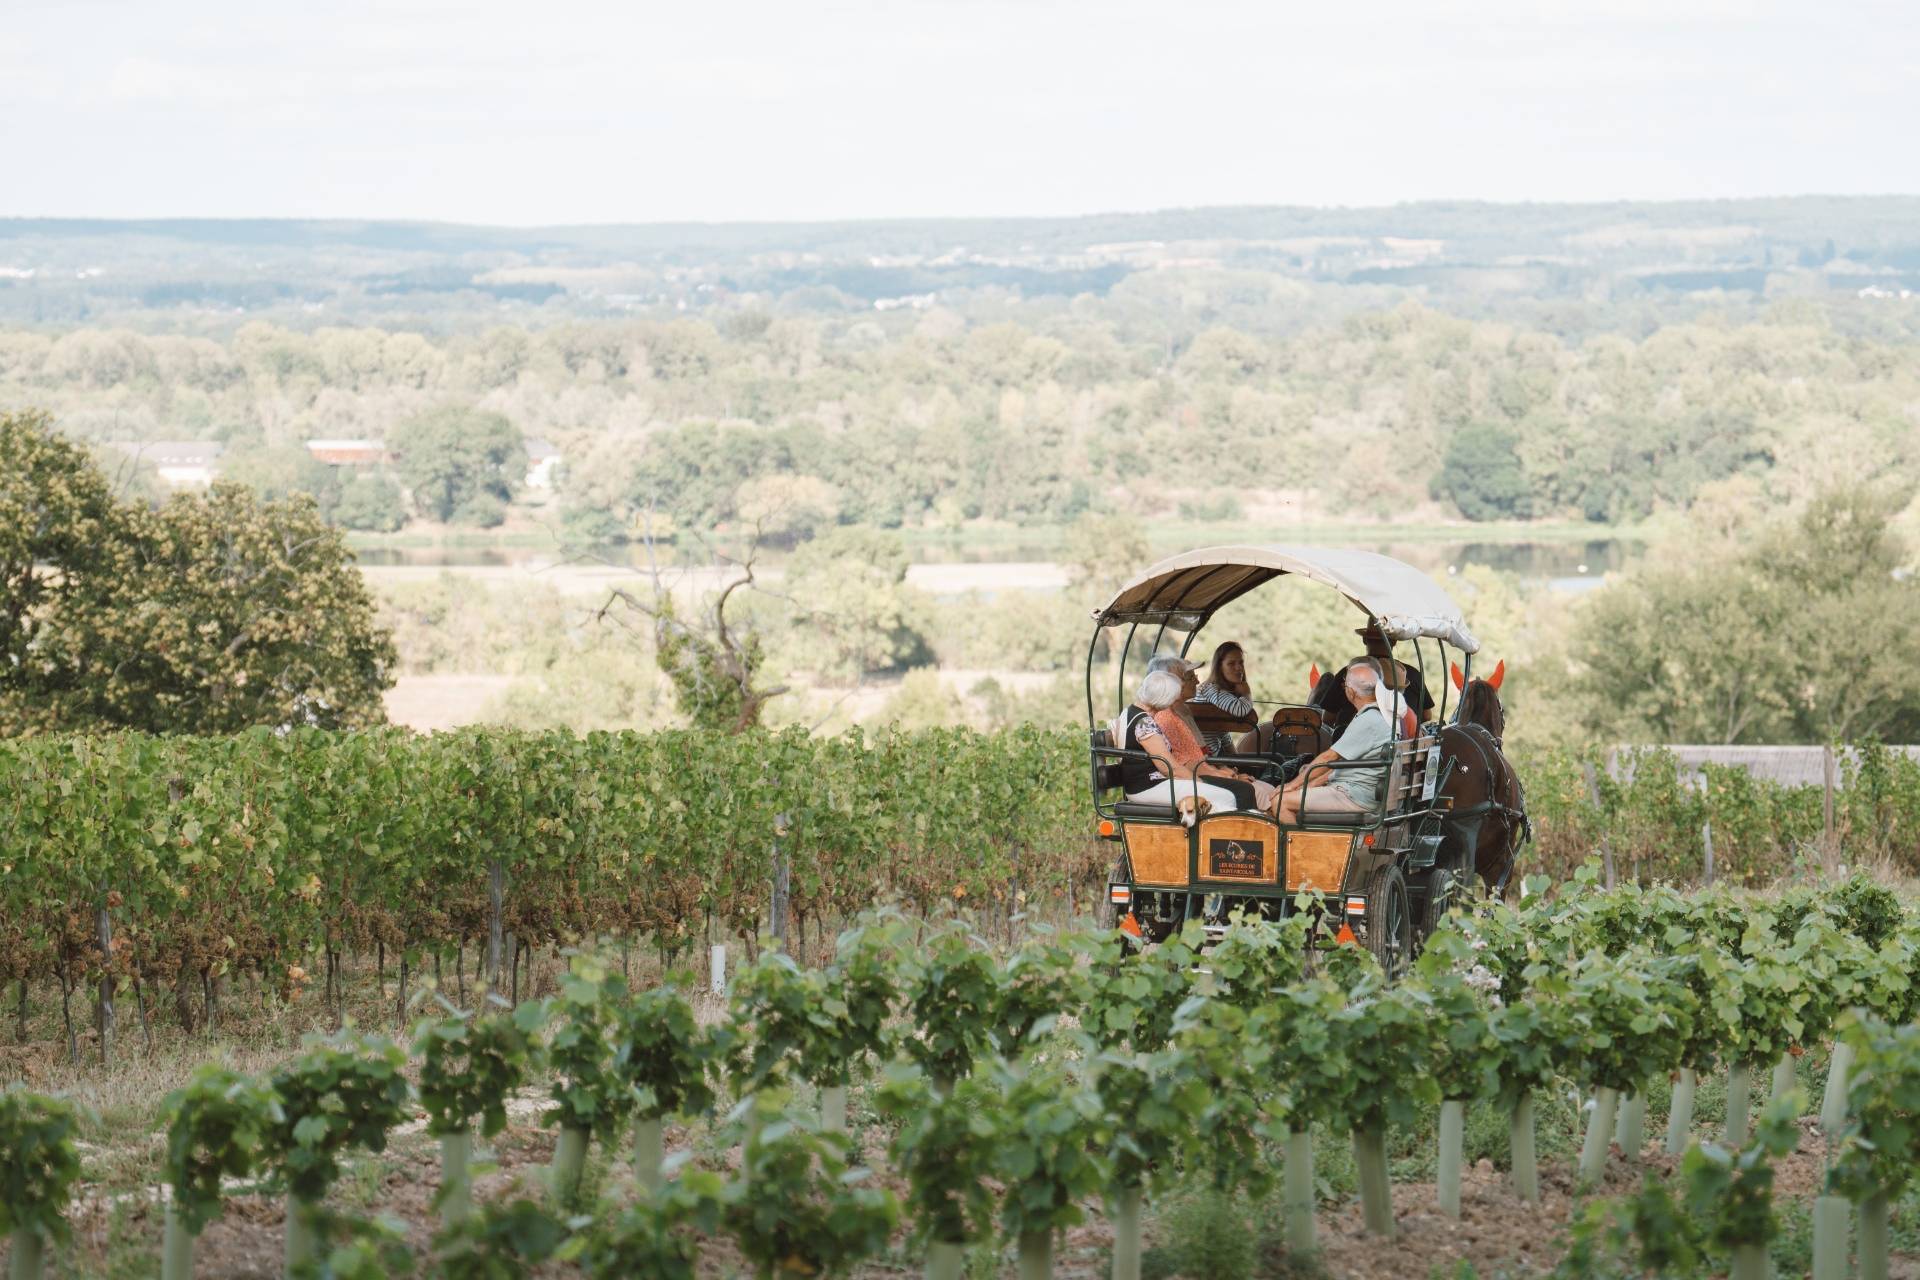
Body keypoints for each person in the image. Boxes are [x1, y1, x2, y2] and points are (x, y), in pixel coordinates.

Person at [1118, 670, 1257, 819]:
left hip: (1149, 782)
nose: (1173, 702)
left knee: (1236, 790)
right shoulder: (1143, 722)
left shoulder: (1130, 711)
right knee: (1227, 797)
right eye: (1172, 698)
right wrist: (1200, 782)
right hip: (1148, 786)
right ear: (1164, 699)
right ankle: (1233, 837)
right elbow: (1169, 768)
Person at [1274, 660, 1392, 824]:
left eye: (1344, 683)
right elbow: (1340, 766)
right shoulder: (1382, 714)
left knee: (1281, 802)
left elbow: (1329, 757)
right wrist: (1308, 785)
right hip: (1360, 790)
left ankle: (1300, 849)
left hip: (1355, 795)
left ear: (1350, 691)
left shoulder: (1369, 720)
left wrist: (1291, 786)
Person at [1190, 641, 1259, 754]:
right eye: (1231, 664)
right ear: (1219, 667)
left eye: (1241, 662)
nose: (1239, 668)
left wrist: (1236, 758)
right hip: (1208, 758)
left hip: (1217, 755)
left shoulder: (1219, 691)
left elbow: (1222, 730)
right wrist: (1246, 693)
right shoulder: (1211, 689)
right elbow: (1240, 709)